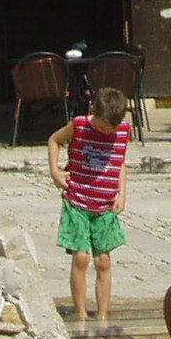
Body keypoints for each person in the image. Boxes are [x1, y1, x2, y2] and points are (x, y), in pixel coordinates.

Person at [47, 86, 131, 324]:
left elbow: (120, 162)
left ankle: (103, 313)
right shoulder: (80, 125)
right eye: (103, 126)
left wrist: (122, 194)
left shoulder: (123, 132)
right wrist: (55, 171)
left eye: (111, 128)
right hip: (78, 201)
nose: (107, 132)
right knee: (81, 258)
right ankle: (81, 312)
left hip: (105, 205)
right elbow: (54, 140)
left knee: (103, 260)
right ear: (94, 111)